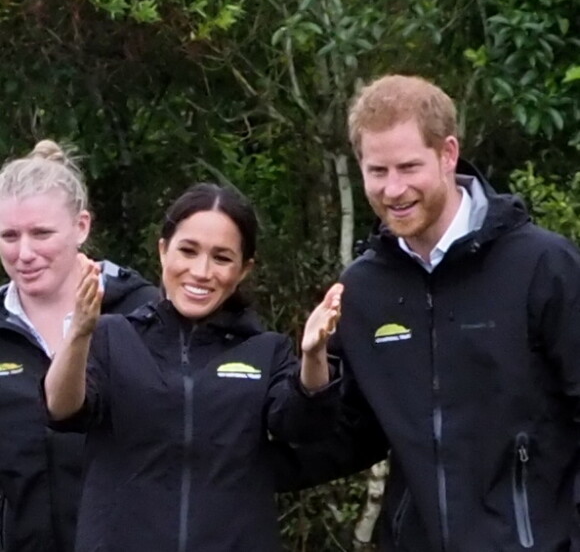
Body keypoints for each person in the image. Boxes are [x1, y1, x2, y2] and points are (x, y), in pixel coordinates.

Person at [276, 74, 580, 551]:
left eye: (408, 167)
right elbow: (351, 434)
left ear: (448, 154)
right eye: (377, 171)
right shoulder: (363, 288)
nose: (393, 190)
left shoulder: (543, 266)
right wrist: (227, 460)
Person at [43, 182, 343, 552]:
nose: (201, 272)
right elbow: (61, 408)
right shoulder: (112, 336)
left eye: (222, 258)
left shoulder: (265, 351)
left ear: (244, 269)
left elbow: (304, 424)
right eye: (188, 251)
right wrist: (79, 335)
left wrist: (314, 356)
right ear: (163, 250)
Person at [0, 140, 159, 552]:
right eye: (9, 236)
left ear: (82, 226)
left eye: (41, 234)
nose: (24, 253)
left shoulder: (143, 314)